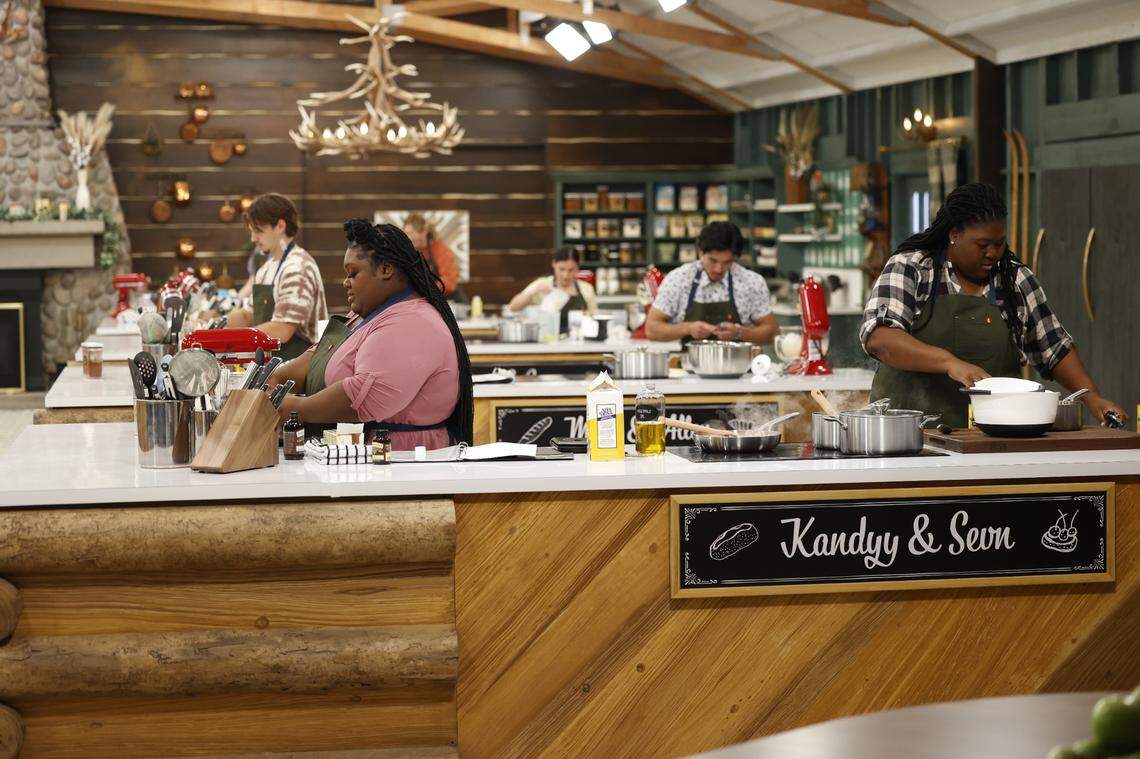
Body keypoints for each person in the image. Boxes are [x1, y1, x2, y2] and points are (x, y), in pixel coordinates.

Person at [861, 182, 1126, 429]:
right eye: (982, 245)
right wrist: (949, 362)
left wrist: (1092, 397)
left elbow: (1054, 348)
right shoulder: (913, 268)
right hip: (906, 436)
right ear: (954, 234)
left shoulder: (1015, 280)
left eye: (999, 244)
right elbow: (880, 337)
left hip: (991, 439)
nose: (992, 253)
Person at [270, 219, 473, 451]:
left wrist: (293, 408)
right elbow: (316, 358)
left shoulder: (411, 323)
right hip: (358, 460)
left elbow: (365, 398)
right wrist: (274, 380)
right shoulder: (365, 315)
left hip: (402, 464)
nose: (346, 282)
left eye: (353, 273)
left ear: (386, 269)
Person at [646, 220, 776, 344]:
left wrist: (740, 333)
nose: (718, 269)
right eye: (713, 261)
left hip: (740, 364)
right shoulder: (679, 279)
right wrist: (688, 328)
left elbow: (770, 333)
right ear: (700, 253)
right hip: (689, 364)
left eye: (727, 262)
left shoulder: (752, 282)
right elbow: (652, 329)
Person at [242, 194, 328, 360]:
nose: (253, 238)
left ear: (280, 226)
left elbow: (282, 330)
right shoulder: (265, 269)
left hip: (299, 368)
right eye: (251, 232)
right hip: (274, 364)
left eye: (258, 231)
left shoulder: (298, 267)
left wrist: (233, 338)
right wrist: (215, 325)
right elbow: (248, 315)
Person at [507, 245, 598, 333]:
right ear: (554, 264)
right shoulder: (542, 283)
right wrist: (534, 291)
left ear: (577, 268)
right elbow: (513, 307)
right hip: (547, 342)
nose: (565, 275)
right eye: (561, 269)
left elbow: (594, 317)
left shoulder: (586, 288)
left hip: (578, 342)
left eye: (571, 270)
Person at [403, 213, 459, 297]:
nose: (409, 237)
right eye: (407, 233)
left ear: (424, 232)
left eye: (413, 233)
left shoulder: (440, 249)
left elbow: (450, 282)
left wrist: (426, 289)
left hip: (444, 298)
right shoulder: (406, 252)